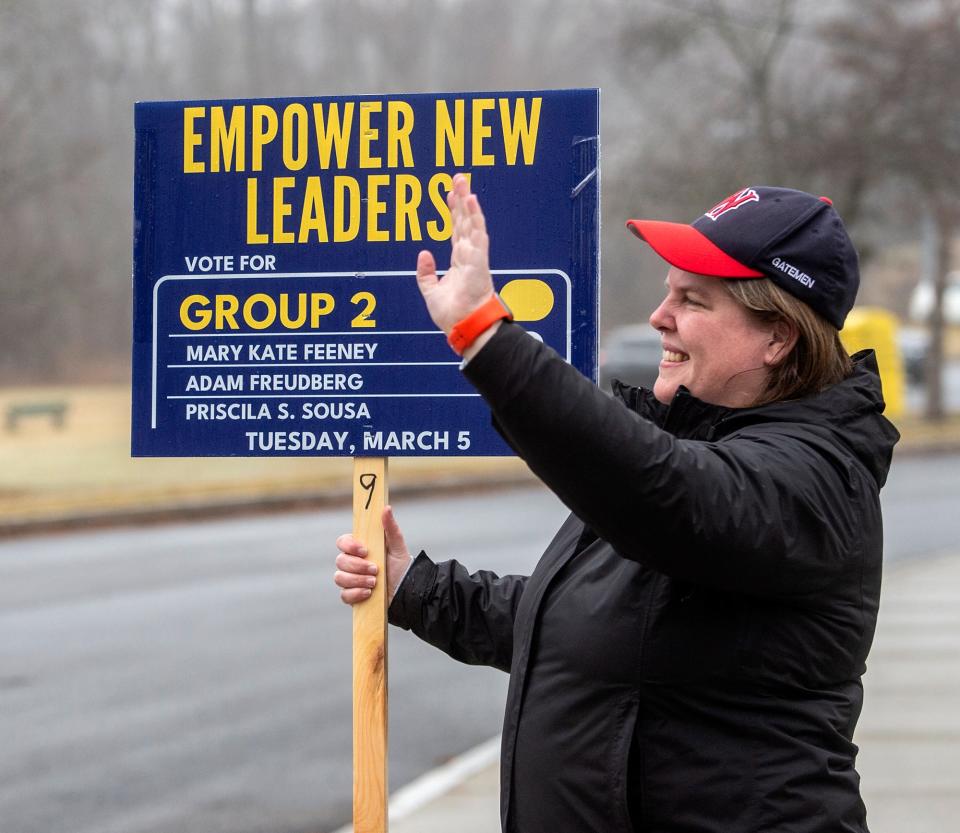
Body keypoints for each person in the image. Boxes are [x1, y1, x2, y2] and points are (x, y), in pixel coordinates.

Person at [334, 176, 900, 833]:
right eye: (667, 293)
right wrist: (415, 587)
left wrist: (486, 335)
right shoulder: (685, 442)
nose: (660, 317)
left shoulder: (816, 479)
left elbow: (660, 492)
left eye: (691, 300)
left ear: (777, 338)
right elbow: (578, 623)